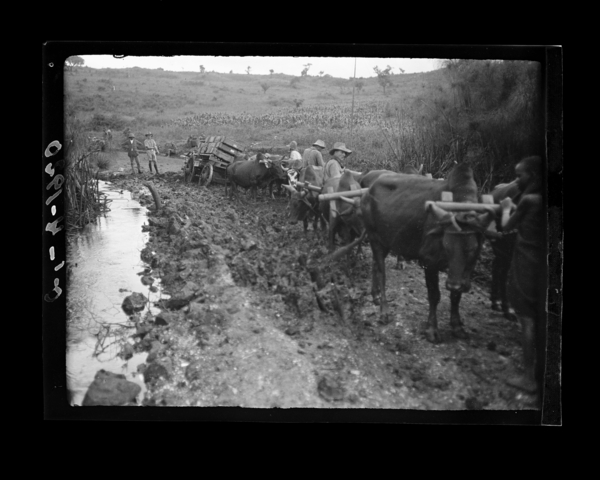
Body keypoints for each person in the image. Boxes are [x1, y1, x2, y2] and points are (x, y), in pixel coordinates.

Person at [500, 156, 546, 397]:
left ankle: (529, 377)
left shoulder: (529, 199)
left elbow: (506, 226)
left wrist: (507, 207)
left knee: (526, 319)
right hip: (544, 265)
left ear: (534, 176)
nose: (517, 181)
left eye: (520, 176)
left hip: (526, 262)